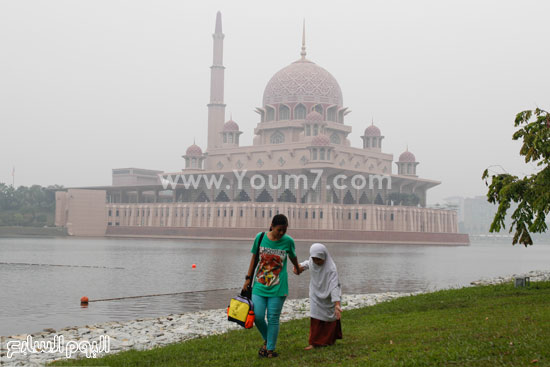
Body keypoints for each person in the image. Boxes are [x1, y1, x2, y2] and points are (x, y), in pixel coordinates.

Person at [242, 214, 302, 358]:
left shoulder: (288, 241)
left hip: (278, 287)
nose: (281, 233)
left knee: (273, 318)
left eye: (284, 230)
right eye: (279, 230)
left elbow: (293, 256)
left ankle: (270, 349)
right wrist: (248, 278)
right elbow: (254, 258)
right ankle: (268, 339)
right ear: (272, 226)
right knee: (257, 316)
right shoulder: (260, 237)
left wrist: (297, 268)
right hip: (259, 285)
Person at [294, 243, 342, 350]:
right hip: (315, 294)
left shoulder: (331, 269)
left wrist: (337, 304)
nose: (317, 262)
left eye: (319, 259)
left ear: (324, 257)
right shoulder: (312, 262)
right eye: (314, 259)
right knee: (315, 318)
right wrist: (298, 267)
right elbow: (306, 264)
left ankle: (328, 341)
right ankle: (314, 342)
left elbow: (334, 286)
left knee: (329, 319)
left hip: (329, 296)